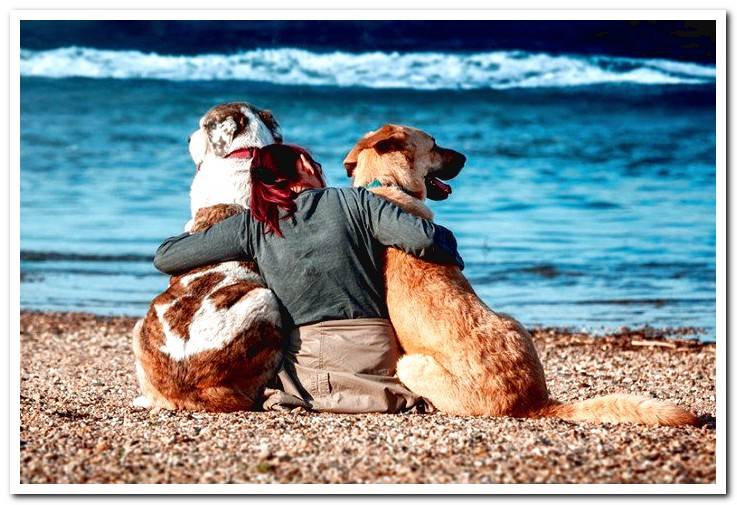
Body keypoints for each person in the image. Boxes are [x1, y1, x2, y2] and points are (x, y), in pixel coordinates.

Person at [153, 144, 464, 414]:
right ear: (303, 166)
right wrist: (454, 253)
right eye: (315, 165)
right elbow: (424, 240)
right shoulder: (356, 202)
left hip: (307, 368)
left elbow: (166, 256)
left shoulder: (254, 224)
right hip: (374, 356)